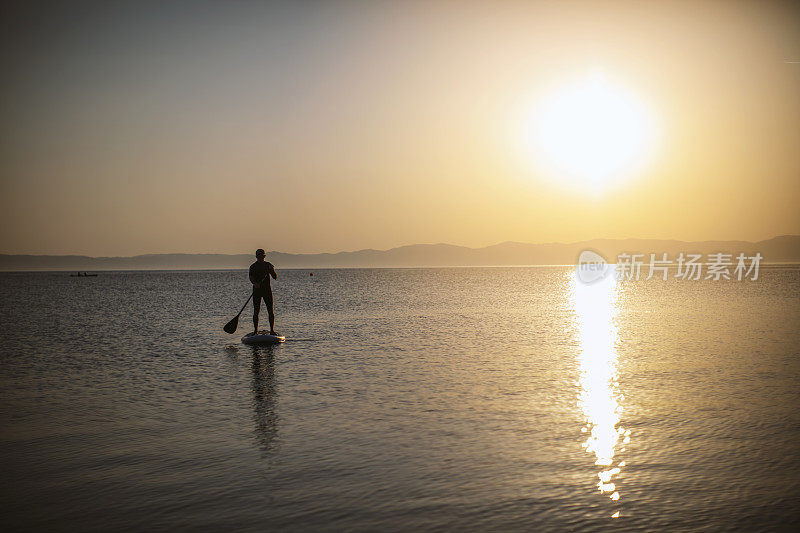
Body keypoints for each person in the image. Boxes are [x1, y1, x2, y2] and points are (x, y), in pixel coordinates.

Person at [249, 249, 277, 335]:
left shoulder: (268, 265)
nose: (260, 258)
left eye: (262, 256)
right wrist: (255, 283)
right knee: (256, 311)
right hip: (257, 291)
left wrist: (272, 270)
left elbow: (275, 277)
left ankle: (272, 330)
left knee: (270, 310)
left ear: (264, 256)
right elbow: (251, 277)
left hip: (267, 291)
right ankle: (255, 330)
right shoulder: (253, 266)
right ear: (257, 257)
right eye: (259, 256)